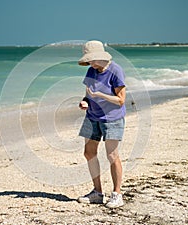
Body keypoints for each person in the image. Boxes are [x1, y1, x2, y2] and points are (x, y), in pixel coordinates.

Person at [77, 40, 126, 208]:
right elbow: (88, 95)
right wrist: (85, 102)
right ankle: (97, 193)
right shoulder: (92, 71)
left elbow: (120, 100)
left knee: (112, 155)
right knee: (89, 153)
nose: (89, 63)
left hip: (112, 118)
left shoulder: (116, 70)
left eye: (91, 60)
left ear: (99, 57)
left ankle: (117, 194)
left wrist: (101, 95)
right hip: (92, 117)